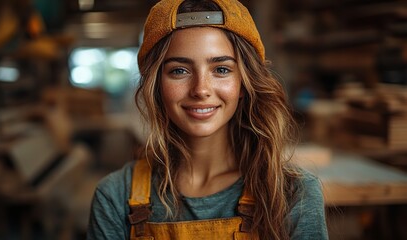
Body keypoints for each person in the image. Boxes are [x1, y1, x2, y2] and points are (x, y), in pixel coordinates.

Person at [87, 0, 328, 239]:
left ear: (243, 83)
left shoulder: (293, 193)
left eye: (221, 69)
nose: (201, 90)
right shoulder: (115, 197)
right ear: (156, 85)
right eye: (179, 70)